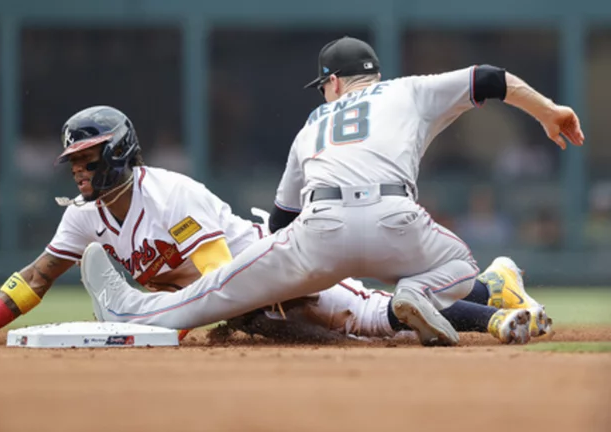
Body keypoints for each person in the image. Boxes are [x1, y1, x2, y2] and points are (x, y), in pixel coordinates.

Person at [73, 36, 579, 346]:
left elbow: (280, 221)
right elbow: (488, 78)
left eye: (323, 85)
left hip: (321, 231)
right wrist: (548, 111)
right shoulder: (409, 90)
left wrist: (286, 280)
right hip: (398, 224)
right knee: (463, 267)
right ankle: (414, 293)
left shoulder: (313, 122)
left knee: (212, 293)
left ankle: (129, 311)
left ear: (334, 82)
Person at [0, 106, 549, 346]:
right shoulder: (84, 217)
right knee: (374, 319)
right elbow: (37, 277)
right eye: (73, 159)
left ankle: (493, 293)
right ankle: (496, 300)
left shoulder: (170, 194)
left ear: (118, 154)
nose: (77, 169)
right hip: (236, 293)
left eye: (87, 157)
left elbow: (224, 276)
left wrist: (196, 316)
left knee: (365, 316)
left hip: (275, 263)